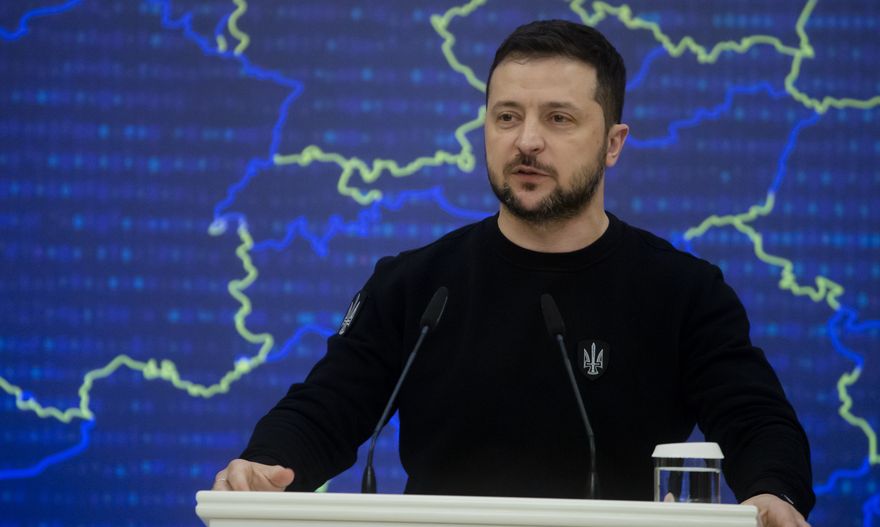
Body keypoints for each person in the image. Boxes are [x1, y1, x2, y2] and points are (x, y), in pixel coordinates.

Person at [213, 19, 815, 527]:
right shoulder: (418, 287)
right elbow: (325, 409)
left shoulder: (684, 292)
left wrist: (772, 491)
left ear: (613, 143)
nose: (526, 142)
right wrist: (265, 463)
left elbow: (756, 420)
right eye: (506, 117)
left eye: (558, 119)